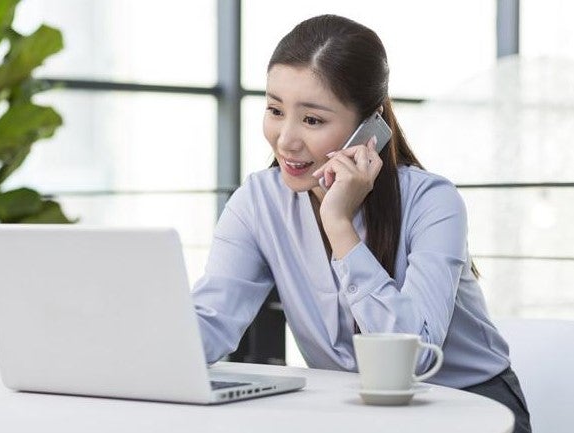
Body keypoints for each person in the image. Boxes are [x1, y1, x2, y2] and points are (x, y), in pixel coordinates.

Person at [191, 14, 531, 433]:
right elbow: (211, 320)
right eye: (275, 110)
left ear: (370, 127)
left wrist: (339, 225)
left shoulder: (433, 201)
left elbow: (418, 358)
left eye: (312, 120)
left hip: (473, 406)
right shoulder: (258, 202)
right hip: (356, 410)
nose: (286, 139)